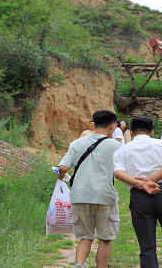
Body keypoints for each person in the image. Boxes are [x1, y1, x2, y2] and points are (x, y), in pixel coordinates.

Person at [57, 110, 125, 268]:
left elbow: (63, 167)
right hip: (105, 196)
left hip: (80, 195)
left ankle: (79, 264)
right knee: (105, 238)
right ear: (112, 126)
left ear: (94, 124)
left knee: (85, 237)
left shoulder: (77, 143)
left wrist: (61, 176)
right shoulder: (116, 145)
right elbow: (122, 171)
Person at [113, 116, 162, 268]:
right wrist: (152, 179)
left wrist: (141, 183)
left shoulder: (122, 150)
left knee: (147, 246)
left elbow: (118, 173)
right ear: (152, 132)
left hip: (139, 196)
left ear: (131, 133)